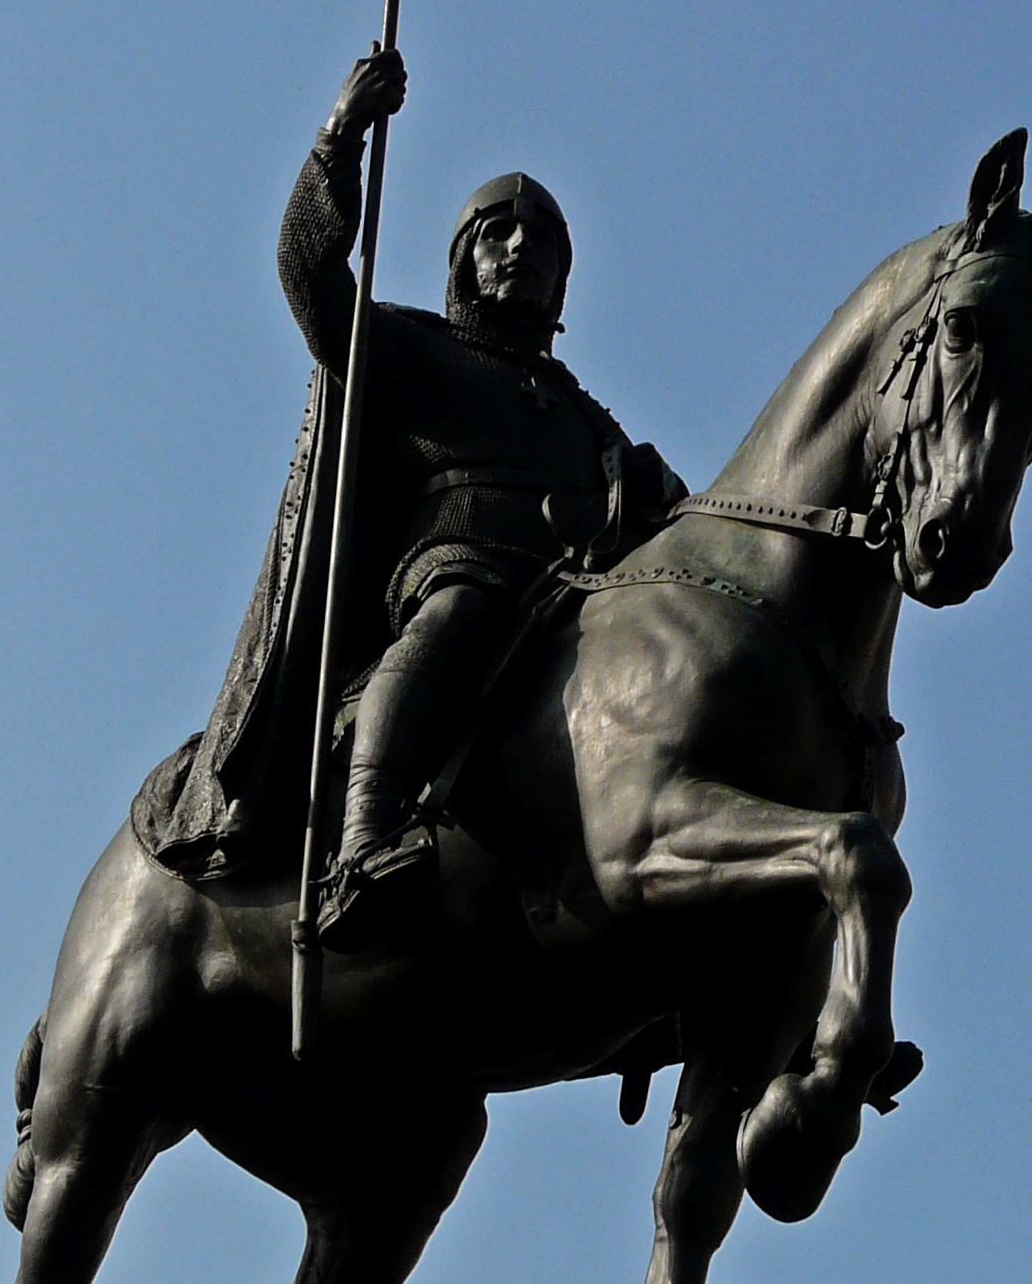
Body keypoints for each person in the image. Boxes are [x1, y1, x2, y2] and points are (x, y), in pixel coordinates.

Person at [132, 47, 684, 933]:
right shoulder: (413, 347)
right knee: (459, 611)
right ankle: (361, 841)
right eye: (499, 234)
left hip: (565, 590)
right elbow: (310, 279)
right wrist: (341, 137)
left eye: (540, 239)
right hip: (455, 561)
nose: (520, 249)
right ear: (465, 258)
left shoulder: (586, 416)